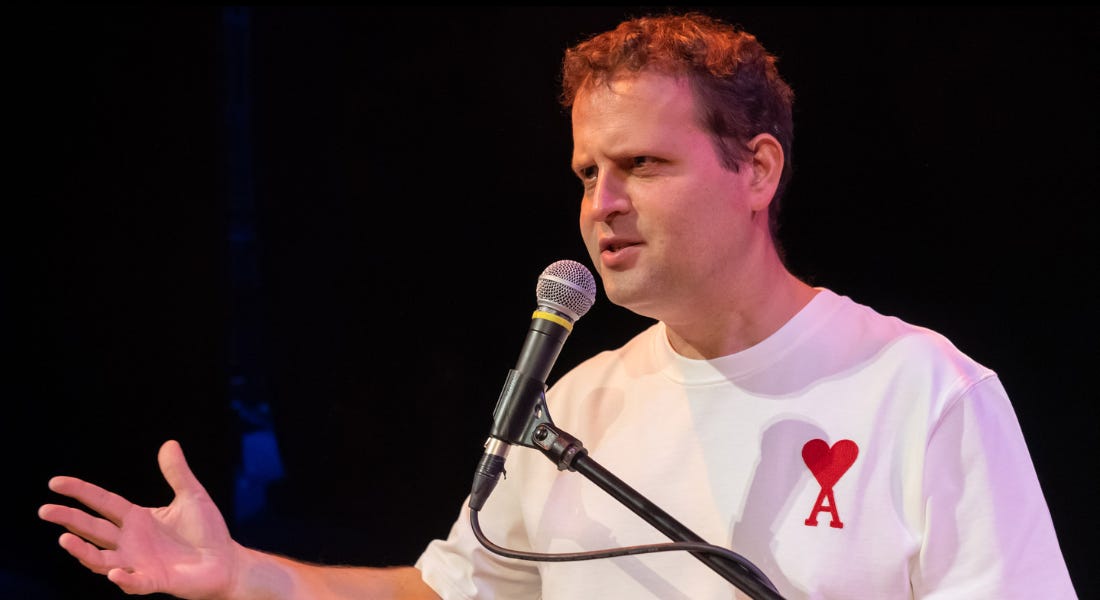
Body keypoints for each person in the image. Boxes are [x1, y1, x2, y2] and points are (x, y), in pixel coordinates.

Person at [39, 11, 1076, 599]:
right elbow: (451, 594)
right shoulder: (575, 405)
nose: (602, 204)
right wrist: (240, 577)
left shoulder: (921, 391)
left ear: (755, 169)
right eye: (586, 173)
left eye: (641, 165)